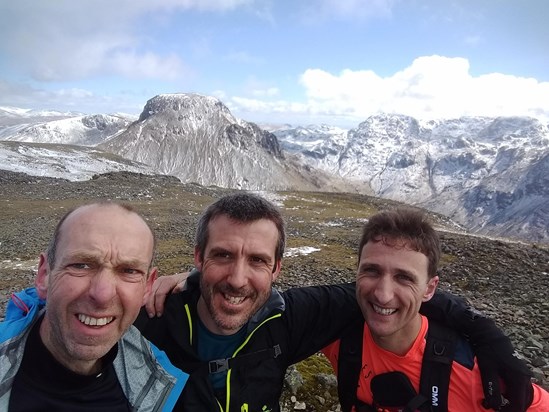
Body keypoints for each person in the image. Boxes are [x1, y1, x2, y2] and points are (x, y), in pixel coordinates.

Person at [137, 192, 536, 412]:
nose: (238, 278)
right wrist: (188, 283)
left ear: (276, 269)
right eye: (222, 255)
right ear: (198, 258)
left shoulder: (288, 320)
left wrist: (486, 336)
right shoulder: (145, 323)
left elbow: (391, 297)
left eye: (257, 260)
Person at [322, 208, 548, 411]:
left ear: (429, 289)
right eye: (372, 271)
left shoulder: (476, 374)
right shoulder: (338, 336)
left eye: (404, 277)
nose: (383, 294)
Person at [0, 202, 188, 411]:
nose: (103, 294)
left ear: (147, 286)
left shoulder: (162, 379)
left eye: (129, 271)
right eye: (81, 265)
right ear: (44, 274)